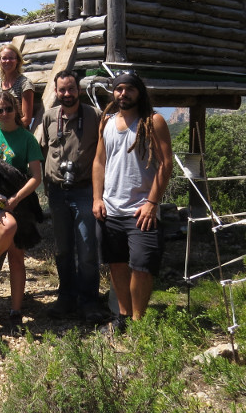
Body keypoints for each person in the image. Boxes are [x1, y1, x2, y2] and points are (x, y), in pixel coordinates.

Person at [92, 72, 173, 331]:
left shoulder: (153, 121)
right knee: (116, 264)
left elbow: (166, 163)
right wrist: (96, 198)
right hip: (111, 208)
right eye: (118, 89)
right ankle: (123, 317)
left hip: (141, 210)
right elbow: (99, 162)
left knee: (141, 266)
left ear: (139, 92)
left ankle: (139, 321)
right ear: (113, 93)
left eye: (129, 89)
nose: (123, 94)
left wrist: (152, 202)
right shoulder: (106, 122)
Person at [0, 91, 43, 329]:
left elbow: (36, 177)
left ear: (16, 110)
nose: (3, 114)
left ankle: (15, 311)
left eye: (8, 109)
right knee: (9, 226)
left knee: (16, 255)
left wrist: (15, 199)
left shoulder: (27, 139)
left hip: (17, 200)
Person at [39, 70, 103, 324]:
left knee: (87, 248)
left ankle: (89, 301)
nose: (67, 94)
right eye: (62, 90)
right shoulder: (49, 117)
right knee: (63, 249)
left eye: (71, 89)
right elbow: (43, 149)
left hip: (85, 189)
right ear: (56, 91)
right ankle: (66, 296)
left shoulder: (94, 116)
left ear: (79, 89)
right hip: (56, 191)